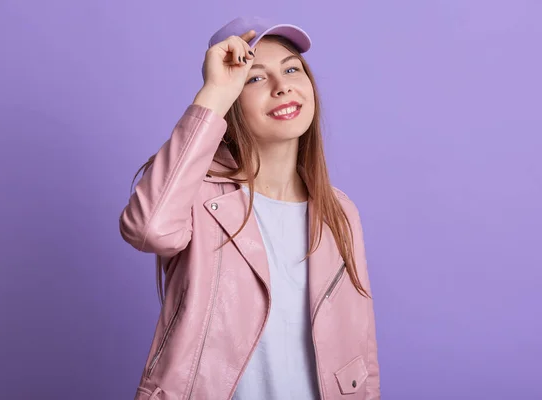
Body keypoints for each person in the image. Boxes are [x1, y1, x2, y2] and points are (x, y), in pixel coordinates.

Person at [120, 16, 380, 400]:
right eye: (255, 77)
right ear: (232, 99)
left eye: (292, 69)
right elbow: (148, 228)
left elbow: (359, 346)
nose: (282, 87)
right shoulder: (196, 192)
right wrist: (213, 94)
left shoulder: (339, 211)